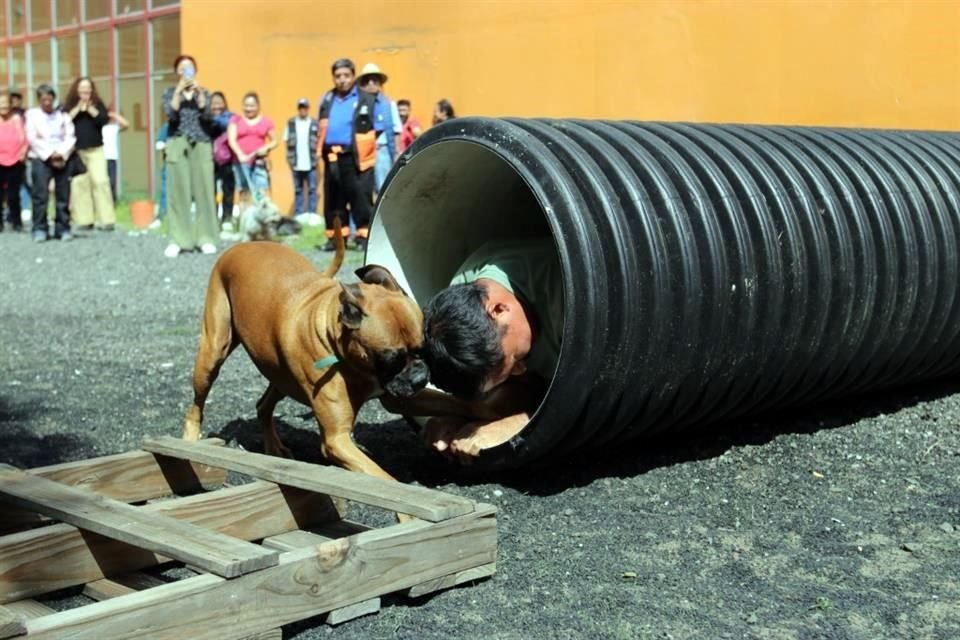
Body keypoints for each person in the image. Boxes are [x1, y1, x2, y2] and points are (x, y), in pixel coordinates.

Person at [421, 238, 564, 459]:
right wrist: (457, 417)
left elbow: (597, 396)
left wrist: (523, 423)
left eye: (514, 360)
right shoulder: (460, 306)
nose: (523, 369)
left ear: (498, 309)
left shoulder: (566, 294)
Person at [315, 58, 377, 252]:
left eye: (346, 75)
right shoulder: (327, 99)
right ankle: (336, 239)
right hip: (332, 158)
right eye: (338, 76)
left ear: (353, 76)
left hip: (355, 158)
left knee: (360, 198)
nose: (342, 80)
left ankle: (363, 238)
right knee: (334, 201)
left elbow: (379, 126)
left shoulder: (365, 98)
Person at [161, 54, 218, 257]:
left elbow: (209, 116)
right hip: (177, 141)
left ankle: (206, 237)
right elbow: (170, 113)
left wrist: (199, 94)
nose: (186, 71)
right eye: (182, 68)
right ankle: (179, 239)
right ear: (177, 71)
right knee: (178, 192)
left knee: (204, 190)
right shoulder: (169, 92)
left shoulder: (204, 93)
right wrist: (179, 90)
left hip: (201, 142)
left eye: (190, 68)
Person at [25, 85, 75, 242]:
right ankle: (40, 228)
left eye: (49, 99)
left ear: (54, 99)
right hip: (41, 158)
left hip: (61, 157)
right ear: (38, 100)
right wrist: (49, 154)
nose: (47, 103)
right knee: (40, 195)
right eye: (43, 100)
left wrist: (61, 153)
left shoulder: (63, 116)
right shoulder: (32, 116)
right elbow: (32, 137)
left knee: (63, 194)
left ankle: (63, 227)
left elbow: (70, 137)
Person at [63, 77, 115, 231]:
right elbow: (64, 120)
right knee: (80, 184)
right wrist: (78, 109)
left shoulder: (98, 104)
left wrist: (91, 110)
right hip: (76, 151)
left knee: (101, 181)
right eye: (82, 88)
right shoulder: (70, 105)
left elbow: (104, 119)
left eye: (88, 88)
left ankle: (106, 219)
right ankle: (84, 220)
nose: (85, 91)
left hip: (96, 149)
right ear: (76, 90)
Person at [356, 63, 401, 193]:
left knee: (383, 187)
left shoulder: (389, 104)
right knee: (364, 189)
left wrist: (397, 153)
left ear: (380, 83)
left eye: (374, 79)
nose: (371, 83)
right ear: (362, 85)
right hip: (363, 152)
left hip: (382, 151)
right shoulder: (358, 106)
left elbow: (397, 131)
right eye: (367, 80)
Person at [227, 91, 276, 205]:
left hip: (258, 163)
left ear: (258, 106)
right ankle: (245, 219)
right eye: (246, 105)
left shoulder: (266, 121)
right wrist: (240, 154)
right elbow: (231, 140)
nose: (249, 108)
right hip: (240, 163)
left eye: (252, 105)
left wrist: (266, 147)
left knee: (261, 191)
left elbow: (275, 141)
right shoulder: (236, 120)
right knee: (244, 192)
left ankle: (260, 219)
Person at [283, 97, 319, 215]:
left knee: (312, 190)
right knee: (298, 190)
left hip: (311, 163)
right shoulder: (291, 123)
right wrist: (289, 158)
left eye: (305, 107)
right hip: (296, 163)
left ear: (308, 109)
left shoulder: (314, 123)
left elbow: (319, 140)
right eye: (301, 107)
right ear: (298, 109)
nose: (303, 110)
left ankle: (312, 214)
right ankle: (299, 215)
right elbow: (286, 140)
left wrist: (318, 155)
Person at [0, 91, 28, 231]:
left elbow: (24, 138)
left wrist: (22, 153)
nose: (3, 106)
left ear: (11, 105)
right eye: (1, 103)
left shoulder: (17, 119)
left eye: (5, 103)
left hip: (15, 161)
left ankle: (16, 222)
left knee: (13, 194)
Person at [209, 91, 236, 229]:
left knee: (228, 189)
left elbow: (229, 124)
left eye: (219, 102)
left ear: (224, 103)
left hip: (227, 159)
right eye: (213, 103)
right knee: (210, 190)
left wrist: (214, 119)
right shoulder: (205, 118)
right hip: (209, 160)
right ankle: (213, 218)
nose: (216, 106)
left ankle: (227, 218)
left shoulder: (230, 117)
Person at [101, 107, 129, 203]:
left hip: (111, 157)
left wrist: (114, 115)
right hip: (100, 158)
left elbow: (126, 124)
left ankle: (113, 202)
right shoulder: (99, 127)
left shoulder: (113, 127)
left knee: (112, 182)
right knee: (101, 182)